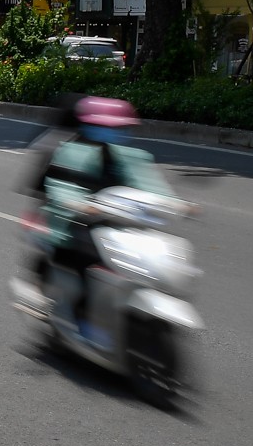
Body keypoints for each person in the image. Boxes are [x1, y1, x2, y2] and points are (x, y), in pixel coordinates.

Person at [23, 96, 173, 339]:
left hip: (118, 226)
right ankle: (81, 314)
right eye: (108, 127)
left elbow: (150, 184)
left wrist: (176, 204)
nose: (115, 133)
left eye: (120, 128)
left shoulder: (131, 156)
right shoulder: (70, 152)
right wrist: (77, 203)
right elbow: (61, 186)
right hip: (73, 226)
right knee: (88, 262)